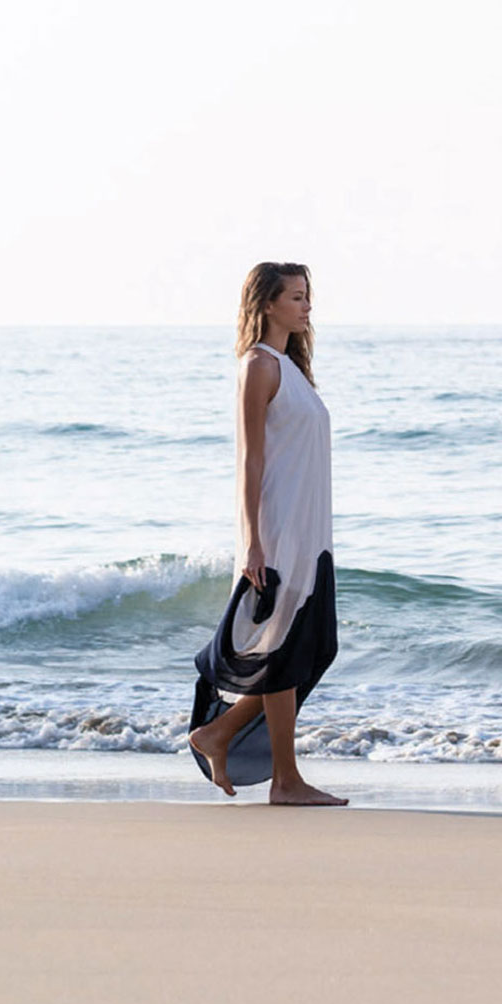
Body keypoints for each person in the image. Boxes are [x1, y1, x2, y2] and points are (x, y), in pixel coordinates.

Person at [188, 262, 348, 806]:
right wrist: (254, 540)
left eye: (308, 297)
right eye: (297, 297)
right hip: (279, 530)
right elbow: (250, 461)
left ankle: (223, 733)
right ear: (268, 304)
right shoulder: (258, 365)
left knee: (312, 646)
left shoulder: (292, 368)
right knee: (285, 649)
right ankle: (285, 780)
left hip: (309, 530)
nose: (307, 307)